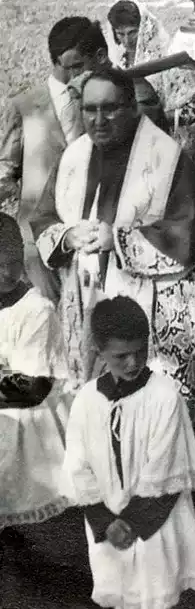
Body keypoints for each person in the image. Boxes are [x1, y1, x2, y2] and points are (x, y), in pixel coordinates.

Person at [32, 66, 195, 510]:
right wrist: (67, 237)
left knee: (172, 400)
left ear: (131, 108)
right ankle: (123, 501)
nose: (98, 120)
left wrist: (120, 240)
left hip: (160, 302)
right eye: (90, 110)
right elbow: (46, 216)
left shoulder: (165, 156)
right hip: (89, 299)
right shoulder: (73, 157)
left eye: (110, 109)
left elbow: (192, 232)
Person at [63, 296, 195, 609]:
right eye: (121, 356)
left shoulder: (163, 396)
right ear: (100, 352)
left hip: (157, 520)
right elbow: (78, 468)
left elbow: (166, 466)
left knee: (166, 588)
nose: (133, 362)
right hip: (110, 525)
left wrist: (131, 523)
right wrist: (106, 523)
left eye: (140, 351)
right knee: (127, 594)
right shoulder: (86, 402)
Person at [0, 16, 107, 302]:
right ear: (56, 61)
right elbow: (6, 170)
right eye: (69, 66)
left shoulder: (102, 99)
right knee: (50, 312)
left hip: (92, 221)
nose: (75, 74)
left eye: (80, 65)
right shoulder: (23, 106)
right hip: (39, 233)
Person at [0, 214, 72, 534]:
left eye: (13, 262)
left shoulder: (35, 310)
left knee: (44, 504)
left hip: (34, 419)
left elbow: (32, 388)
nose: (6, 273)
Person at [106, 0, 195, 124]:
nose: (127, 41)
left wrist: (151, 119)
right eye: (120, 34)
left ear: (144, 28)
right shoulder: (116, 60)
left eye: (132, 32)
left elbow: (192, 113)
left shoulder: (163, 58)